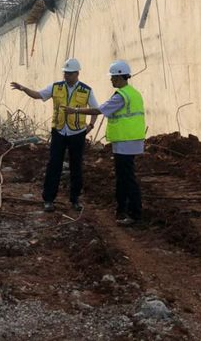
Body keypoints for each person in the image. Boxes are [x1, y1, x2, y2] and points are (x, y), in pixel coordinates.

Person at [61, 60, 144, 226]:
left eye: (113, 77)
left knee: (127, 178)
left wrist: (75, 110)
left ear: (120, 77)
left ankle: (134, 213)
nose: (111, 80)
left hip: (125, 141)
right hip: (130, 140)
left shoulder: (121, 96)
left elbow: (99, 110)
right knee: (123, 178)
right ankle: (122, 210)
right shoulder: (132, 92)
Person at [10, 58, 98, 212]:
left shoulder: (86, 90)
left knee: (76, 166)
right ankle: (49, 199)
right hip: (59, 131)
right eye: (65, 73)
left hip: (77, 133)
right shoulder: (56, 87)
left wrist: (90, 125)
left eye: (70, 74)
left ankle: (75, 199)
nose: (67, 76)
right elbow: (38, 95)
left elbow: (95, 109)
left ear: (77, 74)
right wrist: (24, 89)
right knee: (54, 165)